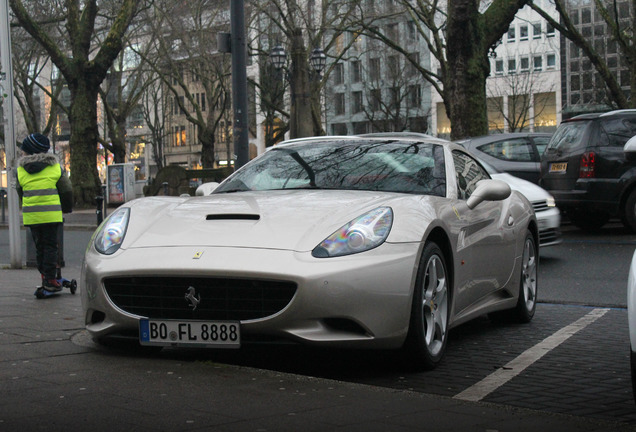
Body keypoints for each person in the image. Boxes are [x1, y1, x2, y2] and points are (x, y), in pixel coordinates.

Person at [16, 133, 73, 291]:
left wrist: (27, 203)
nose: (22, 153)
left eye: (24, 150)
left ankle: (44, 275)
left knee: (39, 246)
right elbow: (66, 189)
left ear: (30, 151)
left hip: (31, 215)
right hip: (51, 214)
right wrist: (67, 207)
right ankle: (50, 279)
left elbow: (20, 191)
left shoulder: (21, 170)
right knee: (51, 247)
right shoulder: (55, 167)